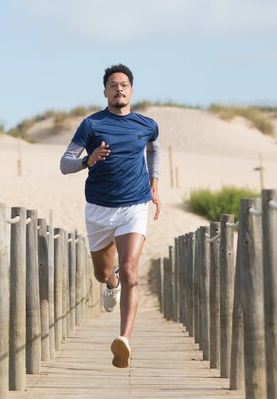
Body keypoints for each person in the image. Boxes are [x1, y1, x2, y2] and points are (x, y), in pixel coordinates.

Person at [60, 63, 161, 368]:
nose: (119, 89)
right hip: (99, 209)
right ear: (104, 91)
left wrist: (154, 181)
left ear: (132, 90)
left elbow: (154, 151)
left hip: (135, 206)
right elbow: (65, 163)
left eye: (124, 85)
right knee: (104, 274)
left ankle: (123, 341)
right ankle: (111, 284)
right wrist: (87, 161)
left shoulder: (147, 125)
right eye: (113, 85)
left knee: (130, 269)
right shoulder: (91, 126)